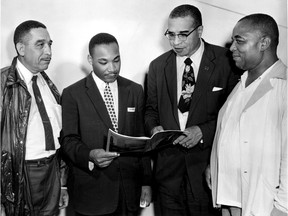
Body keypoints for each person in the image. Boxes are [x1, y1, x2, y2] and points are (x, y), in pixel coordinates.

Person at [145, 4, 240, 216]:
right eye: (171, 35)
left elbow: (236, 116)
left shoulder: (227, 61)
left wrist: (203, 132)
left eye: (183, 34)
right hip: (167, 174)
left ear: (199, 31)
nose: (175, 42)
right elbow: (150, 110)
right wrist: (154, 129)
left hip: (206, 170)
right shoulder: (157, 66)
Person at [60, 32, 152, 216]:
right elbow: (68, 140)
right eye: (104, 62)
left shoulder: (135, 90)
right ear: (90, 59)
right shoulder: (72, 94)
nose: (112, 68)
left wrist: (146, 182)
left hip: (129, 194)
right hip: (91, 193)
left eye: (116, 60)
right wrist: (90, 155)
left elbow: (142, 140)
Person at [206, 13, 287, 216]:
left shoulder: (283, 87)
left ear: (264, 43)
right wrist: (215, 165)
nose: (232, 47)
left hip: (265, 205)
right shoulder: (241, 82)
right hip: (231, 199)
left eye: (239, 41)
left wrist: (283, 207)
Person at [1, 20, 69, 216]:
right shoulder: (3, 85)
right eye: (40, 45)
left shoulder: (47, 82)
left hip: (52, 170)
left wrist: (62, 183)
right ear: (21, 48)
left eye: (50, 44)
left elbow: (59, 133)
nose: (48, 51)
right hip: (21, 173)